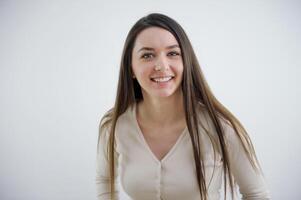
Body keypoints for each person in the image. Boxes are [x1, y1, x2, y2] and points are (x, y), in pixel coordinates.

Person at [96, 13, 271, 200]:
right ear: (130, 67)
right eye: (147, 55)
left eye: (173, 53)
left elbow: (256, 194)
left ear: (186, 61)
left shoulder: (221, 127)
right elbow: (104, 180)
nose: (161, 65)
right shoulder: (114, 125)